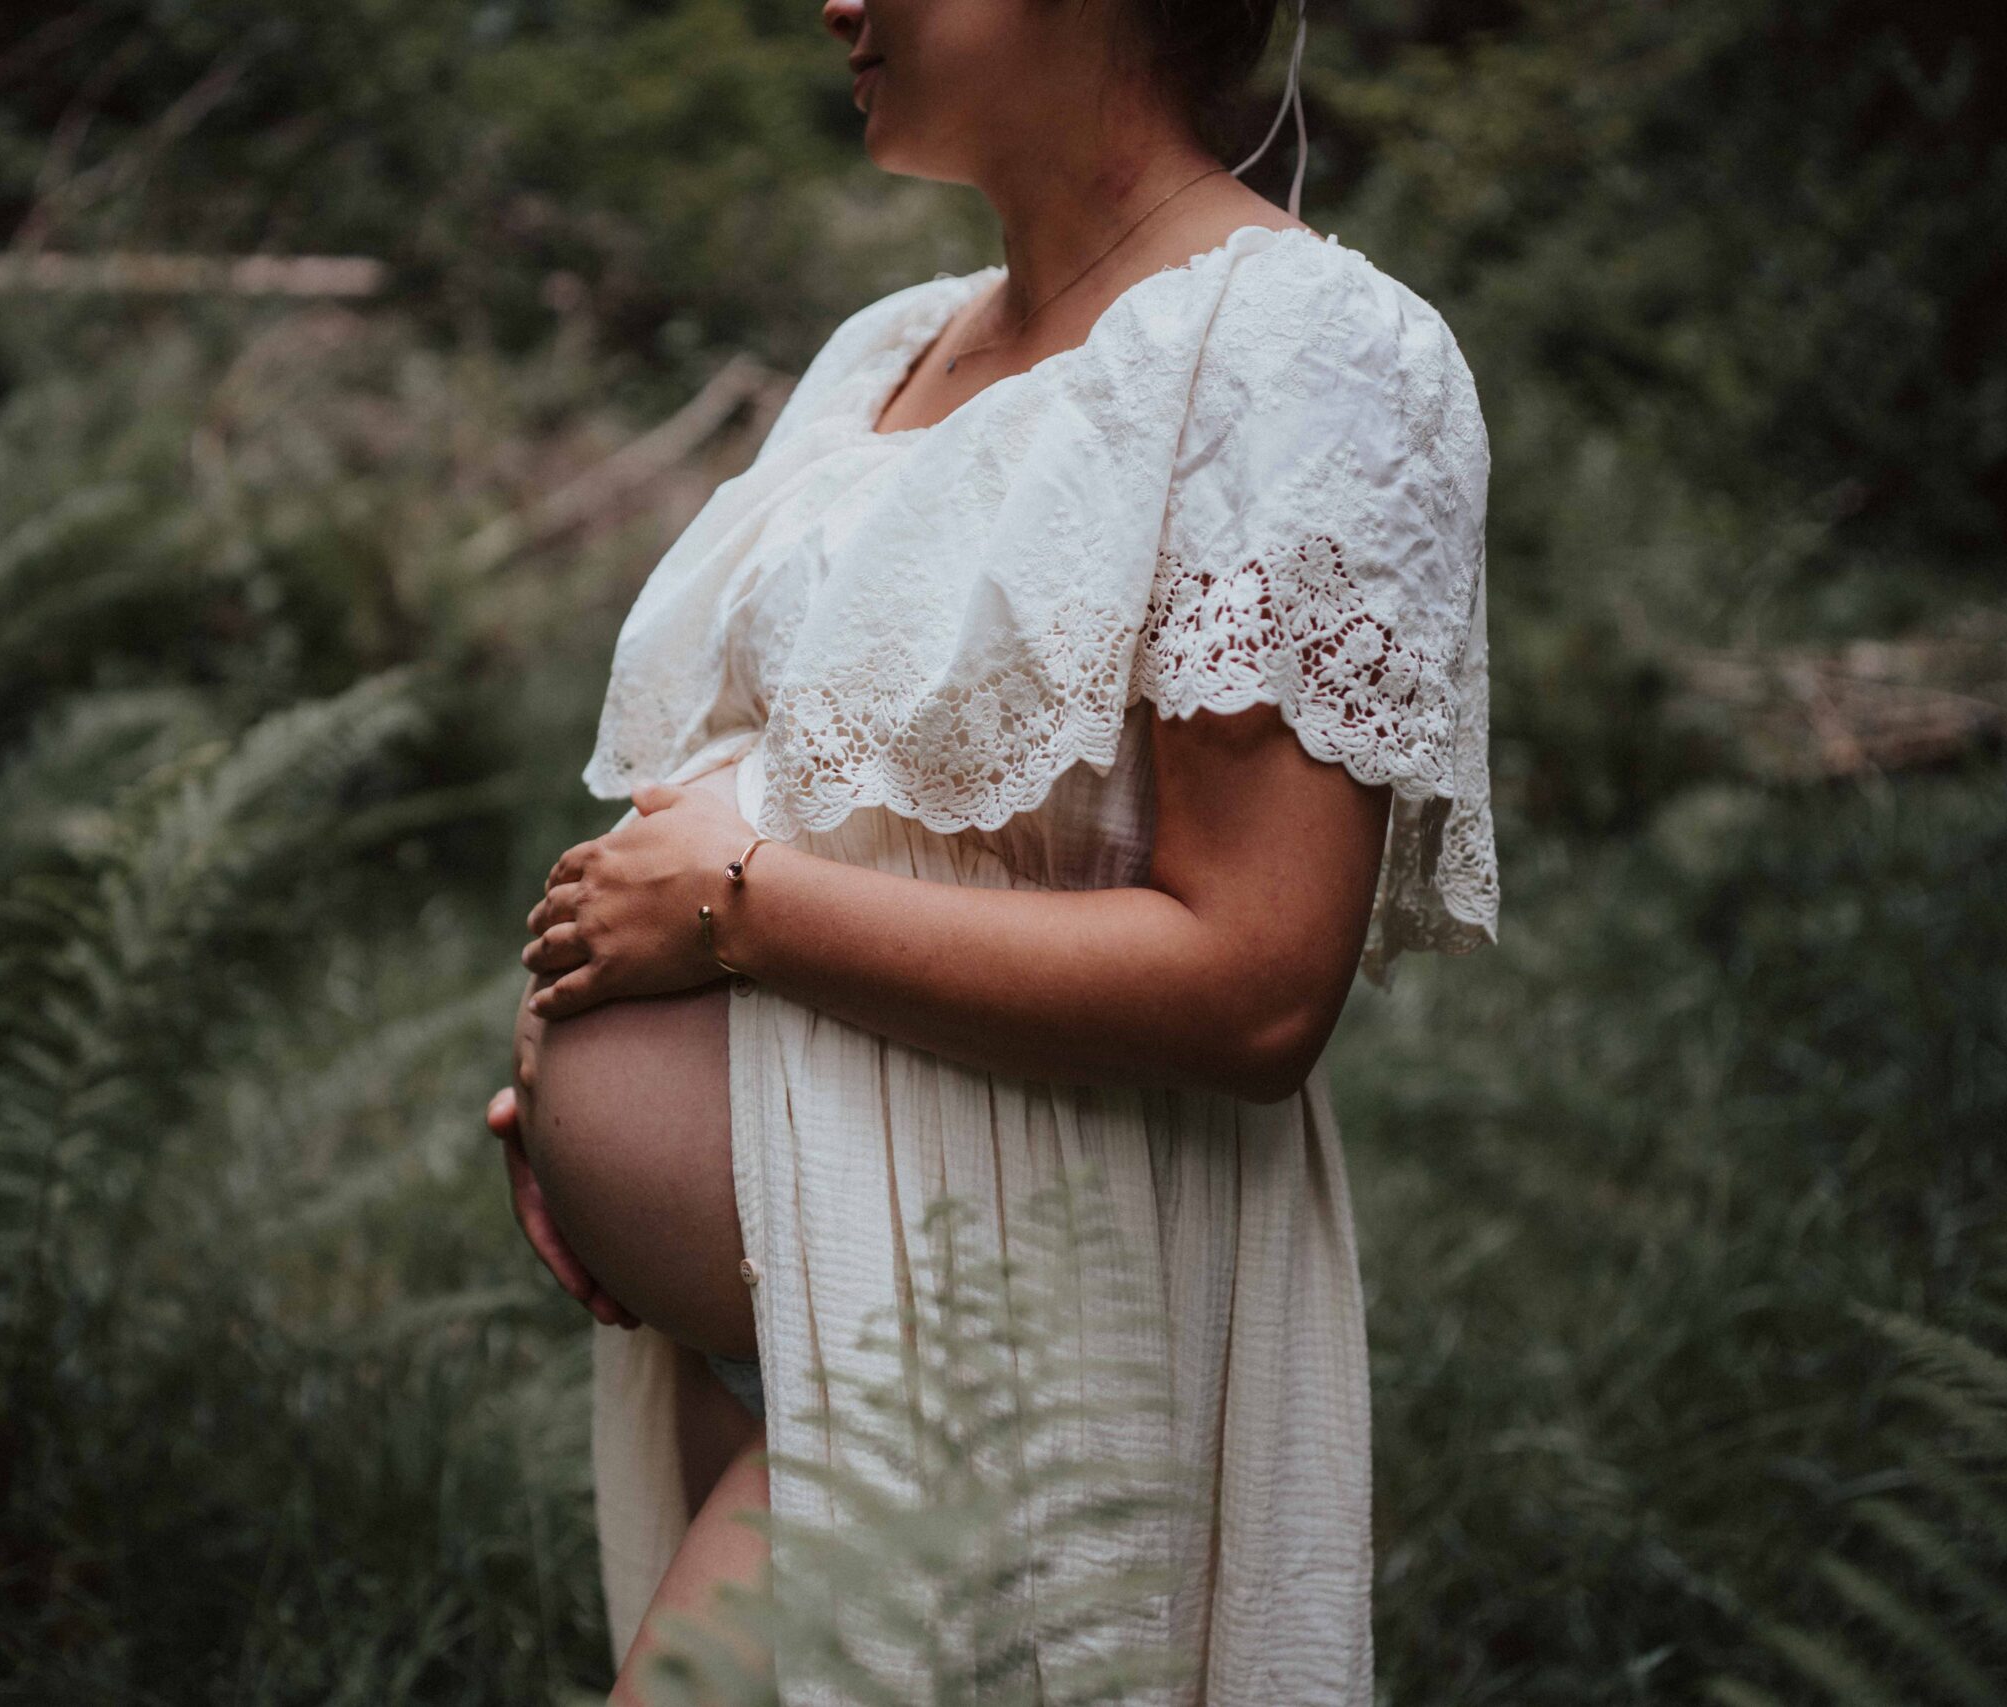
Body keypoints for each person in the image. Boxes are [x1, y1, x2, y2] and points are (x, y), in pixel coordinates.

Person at [487, 0, 1497, 1699]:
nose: (839, 2)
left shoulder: (1305, 353)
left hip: (1017, 1317)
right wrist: (564, 1053)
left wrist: (730, 922)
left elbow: (1256, 987)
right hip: (814, 1301)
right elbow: (800, 780)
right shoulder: (888, 346)